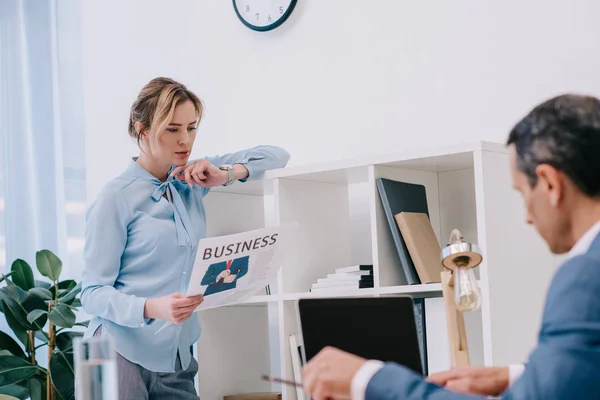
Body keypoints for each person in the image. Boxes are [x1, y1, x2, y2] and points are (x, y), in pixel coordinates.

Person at [301, 93, 600, 400]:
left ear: (550, 183)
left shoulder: (585, 276)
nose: (527, 217)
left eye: (523, 193)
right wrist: (514, 375)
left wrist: (368, 380)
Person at [80, 77, 290, 399]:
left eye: (191, 128)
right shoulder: (116, 197)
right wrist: (152, 307)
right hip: (115, 352)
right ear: (143, 130)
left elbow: (277, 155)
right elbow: (92, 293)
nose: (185, 141)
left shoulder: (191, 181)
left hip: (176, 355)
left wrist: (226, 174)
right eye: (173, 129)